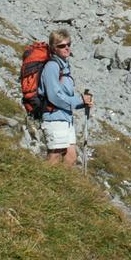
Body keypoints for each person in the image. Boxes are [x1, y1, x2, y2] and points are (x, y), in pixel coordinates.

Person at [39, 28, 93, 167]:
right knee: (55, 156)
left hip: (65, 118)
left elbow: (65, 96)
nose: (66, 48)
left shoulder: (65, 67)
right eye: (61, 46)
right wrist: (79, 100)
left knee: (71, 157)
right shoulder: (52, 66)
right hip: (54, 116)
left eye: (68, 44)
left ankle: (60, 187)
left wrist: (82, 103)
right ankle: (39, 183)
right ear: (53, 48)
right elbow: (54, 96)